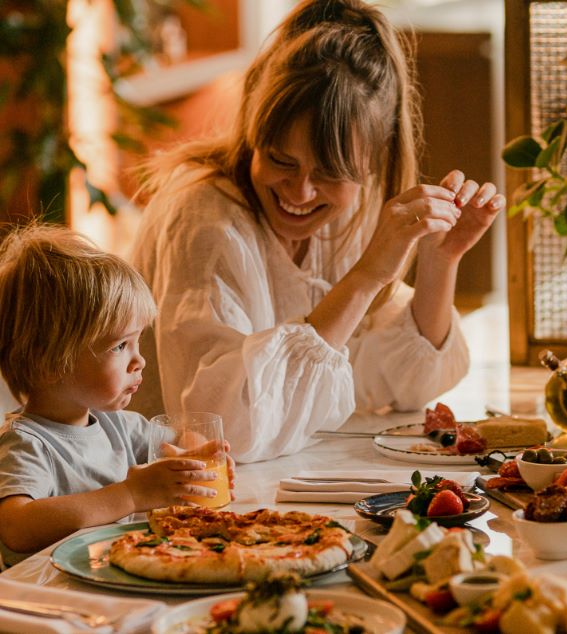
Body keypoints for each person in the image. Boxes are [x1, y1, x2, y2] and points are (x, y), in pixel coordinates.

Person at [130, 0, 505, 463]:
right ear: (253, 130)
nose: (301, 191)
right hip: (172, 499)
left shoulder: (351, 211)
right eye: (281, 160)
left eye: (329, 172)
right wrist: (366, 276)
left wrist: (439, 261)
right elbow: (219, 431)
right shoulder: (204, 221)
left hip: (287, 476)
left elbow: (398, 387)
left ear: (372, 163)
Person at [0, 224, 234, 566]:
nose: (139, 360)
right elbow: (15, 525)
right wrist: (129, 494)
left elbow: (181, 437)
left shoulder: (121, 427)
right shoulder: (25, 444)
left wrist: (194, 460)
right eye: (120, 345)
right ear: (50, 362)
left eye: (137, 340)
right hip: (47, 598)